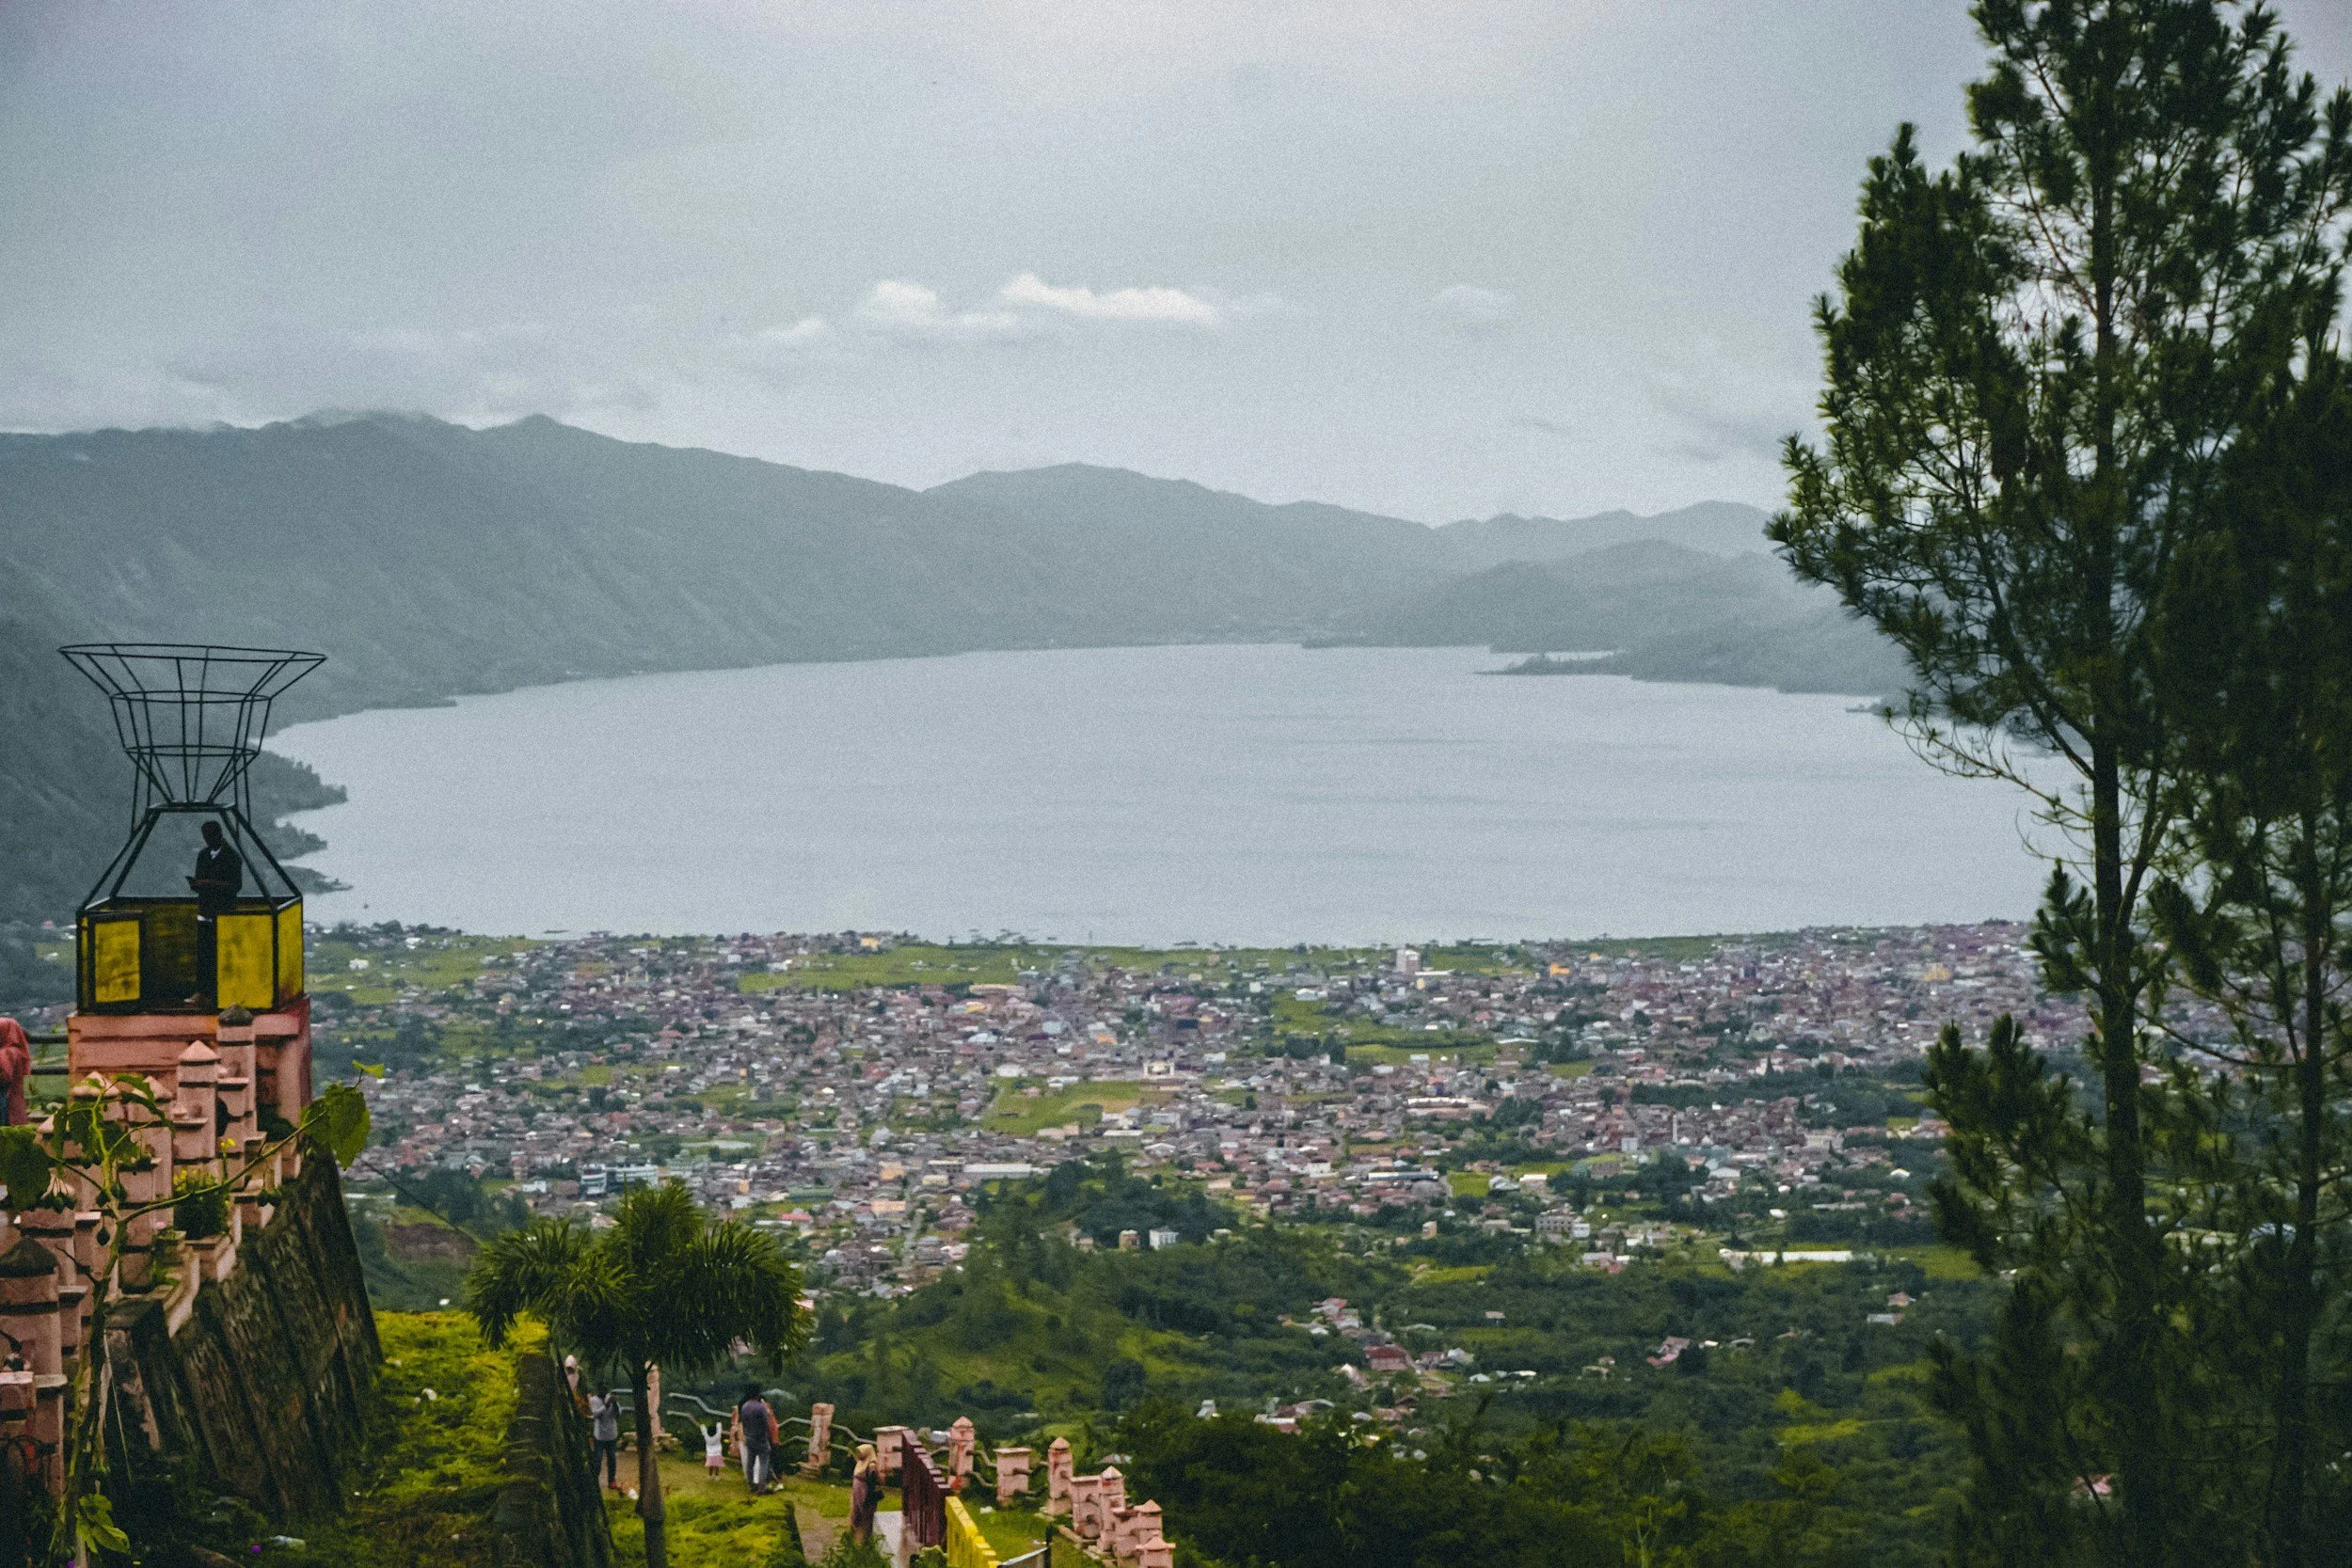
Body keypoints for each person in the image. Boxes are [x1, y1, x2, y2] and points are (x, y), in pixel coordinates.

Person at [186, 820, 244, 1005]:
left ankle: (220, 993)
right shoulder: (203, 856)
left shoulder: (232, 857)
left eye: (210, 836)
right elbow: (200, 881)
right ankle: (203, 992)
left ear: (218, 834)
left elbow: (235, 886)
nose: (207, 840)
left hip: (224, 914)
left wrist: (209, 884)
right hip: (205, 912)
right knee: (204, 955)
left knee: (221, 955)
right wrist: (197, 885)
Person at [737, 1385, 774, 1494]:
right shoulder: (760, 1407)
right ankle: (762, 1487)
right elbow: (766, 1424)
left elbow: (743, 1422)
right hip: (761, 1438)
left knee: (750, 1463)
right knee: (764, 1462)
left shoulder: (744, 1407)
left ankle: (751, 1485)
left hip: (749, 1437)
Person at [588, 1387, 621, 1491]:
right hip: (599, 1435)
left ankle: (612, 1481)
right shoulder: (593, 1400)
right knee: (597, 1460)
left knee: (612, 1459)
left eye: (605, 1388)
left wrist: (614, 1403)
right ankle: (594, 1482)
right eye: (602, 1388)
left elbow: (618, 1414)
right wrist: (606, 1405)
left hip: (611, 1435)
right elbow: (595, 1414)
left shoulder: (611, 1399)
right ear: (598, 1389)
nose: (604, 1391)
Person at [849, 1442, 882, 1544]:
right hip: (857, 1491)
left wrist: (869, 1496)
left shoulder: (871, 1465)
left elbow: (872, 1482)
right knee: (856, 1512)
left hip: (865, 1492)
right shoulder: (861, 1463)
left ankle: (866, 1540)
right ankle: (852, 1536)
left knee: (866, 1514)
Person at [0, 1019, 30, 1128]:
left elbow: (4, 1076)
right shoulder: (17, 1051)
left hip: (5, 1101)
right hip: (14, 1098)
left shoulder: (6, 1053)